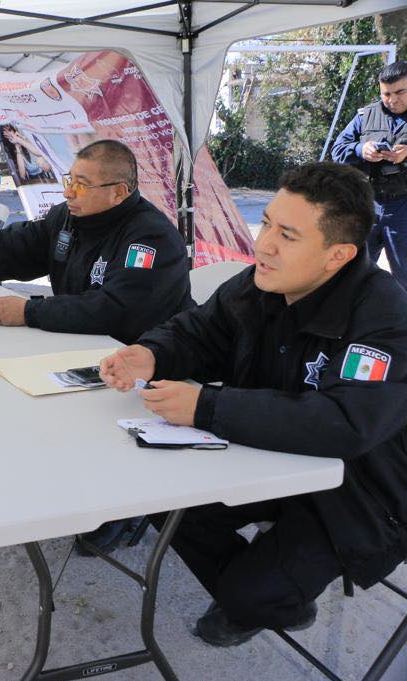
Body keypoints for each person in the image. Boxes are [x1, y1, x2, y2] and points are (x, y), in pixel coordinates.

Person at [100, 162, 407, 648]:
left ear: (338, 255)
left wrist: (208, 407)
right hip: (266, 457)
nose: (263, 243)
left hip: (358, 492)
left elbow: (347, 424)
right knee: (164, 501)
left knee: (246, 596)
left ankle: (262, 590)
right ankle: (260, 578)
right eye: (266, 223)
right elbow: (197, 331)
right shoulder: (259, 282)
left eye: (287, 234)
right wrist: (152, 353)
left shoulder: (384, 316)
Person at [0, 139, 193, 553]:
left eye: (82, 185)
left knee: (97, 426)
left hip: (146, 365)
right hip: (89, 351)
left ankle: (133, 509)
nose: (68, 192)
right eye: (69, 180)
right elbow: (6, 247)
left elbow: (118, 311)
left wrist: (31, 312)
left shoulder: (148, 237)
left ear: (119, 191)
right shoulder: (68, 219)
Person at [332, 61, 407, 289]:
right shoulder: (365, 116)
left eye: (400, 92)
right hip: (368, 205)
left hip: (404, 207)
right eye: (387, 94)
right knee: (351, 275)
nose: (393, 100)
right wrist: (361, 149)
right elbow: (338, 149)